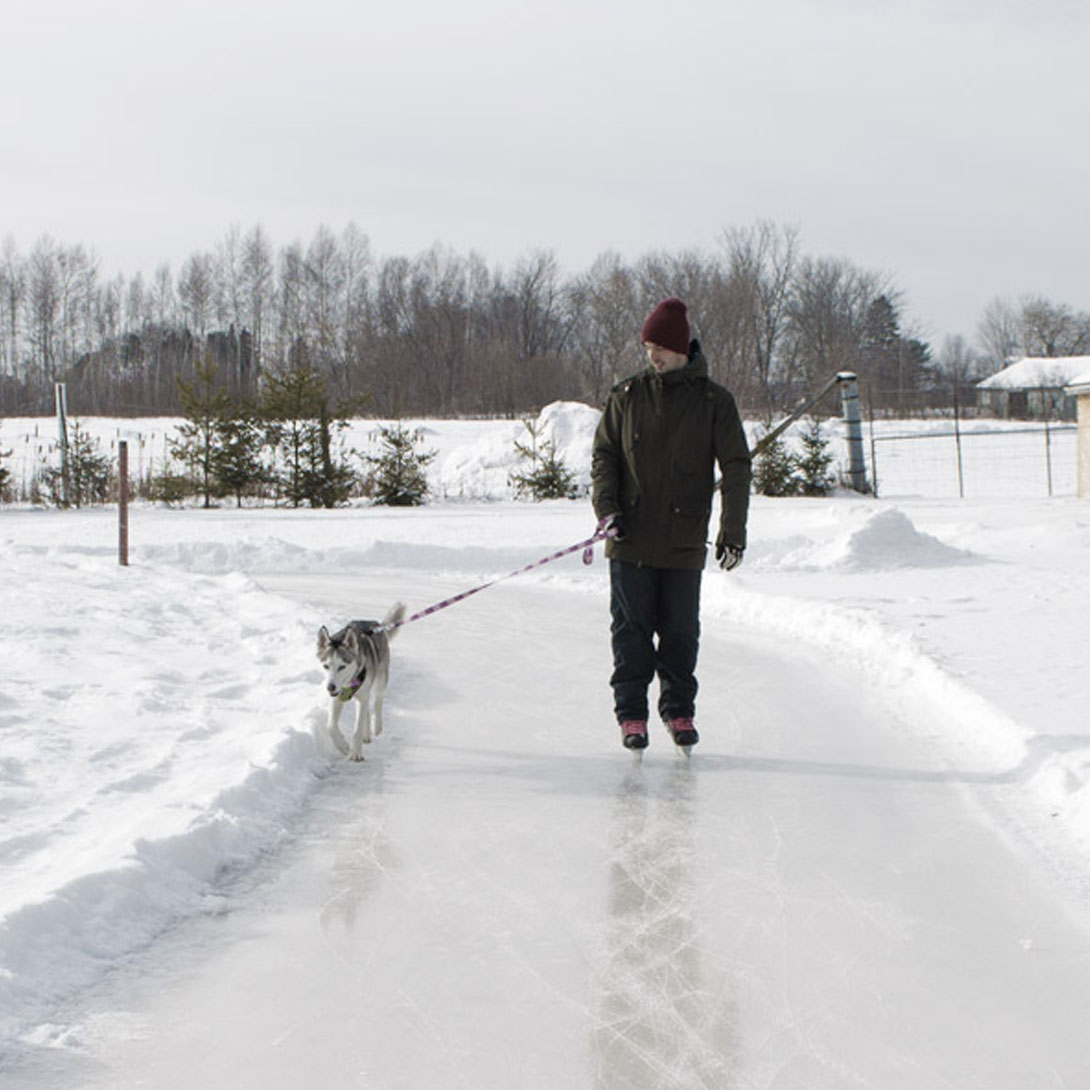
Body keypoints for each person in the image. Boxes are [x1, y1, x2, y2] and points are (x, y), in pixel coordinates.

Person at [591, 297, 751, 751]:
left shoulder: (714, 402)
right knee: (631, 631)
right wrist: (607, 509)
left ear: (682, 348)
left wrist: (732, 531)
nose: (652, 356)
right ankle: (632, 716)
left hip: (683, 539)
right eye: (648, 347)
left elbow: (736, 467)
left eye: (660, 347)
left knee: (681, 631)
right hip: (630, 538)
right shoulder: (627, 396)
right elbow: (605, 455)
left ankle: (679, 711)